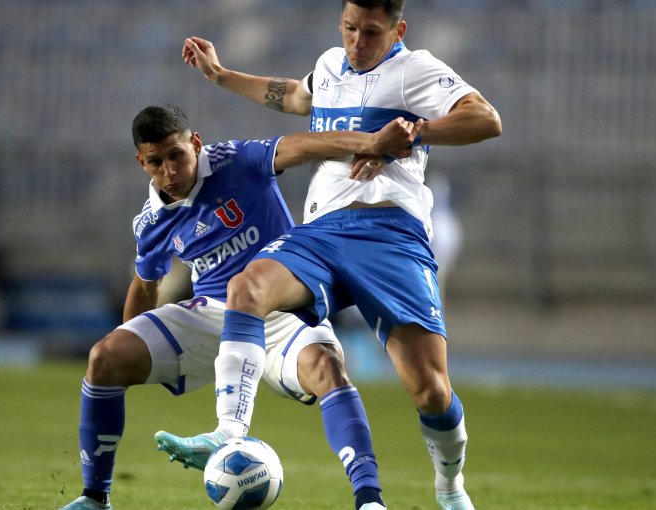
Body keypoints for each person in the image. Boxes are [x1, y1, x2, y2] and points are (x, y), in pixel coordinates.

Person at [161, 2, 502, 509]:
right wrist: (221, 75)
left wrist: (408, 134)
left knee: (430, 391)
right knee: (247, 287)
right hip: (321, 231)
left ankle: (449, 487)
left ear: (397, 30)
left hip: (390, 233)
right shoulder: (329, 66)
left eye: (370, 32)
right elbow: (296, 96)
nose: (357, 42)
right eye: (348, 29)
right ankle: (227, 432)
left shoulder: (416, 71)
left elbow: (485, 119)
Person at [59, 104, 417, 510]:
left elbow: (303, 146)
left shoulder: (237, 161)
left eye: (177, 155)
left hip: (283, 309)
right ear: (142, 162)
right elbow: (146, 283)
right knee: (104, 357)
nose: (170, 171)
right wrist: (134, 345)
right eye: (156, 162)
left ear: (196, 143)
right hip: (212, 312)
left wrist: (370, 143)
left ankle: (369, 499)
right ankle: (94, 497)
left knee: (327, 367)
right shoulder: (151, 221)